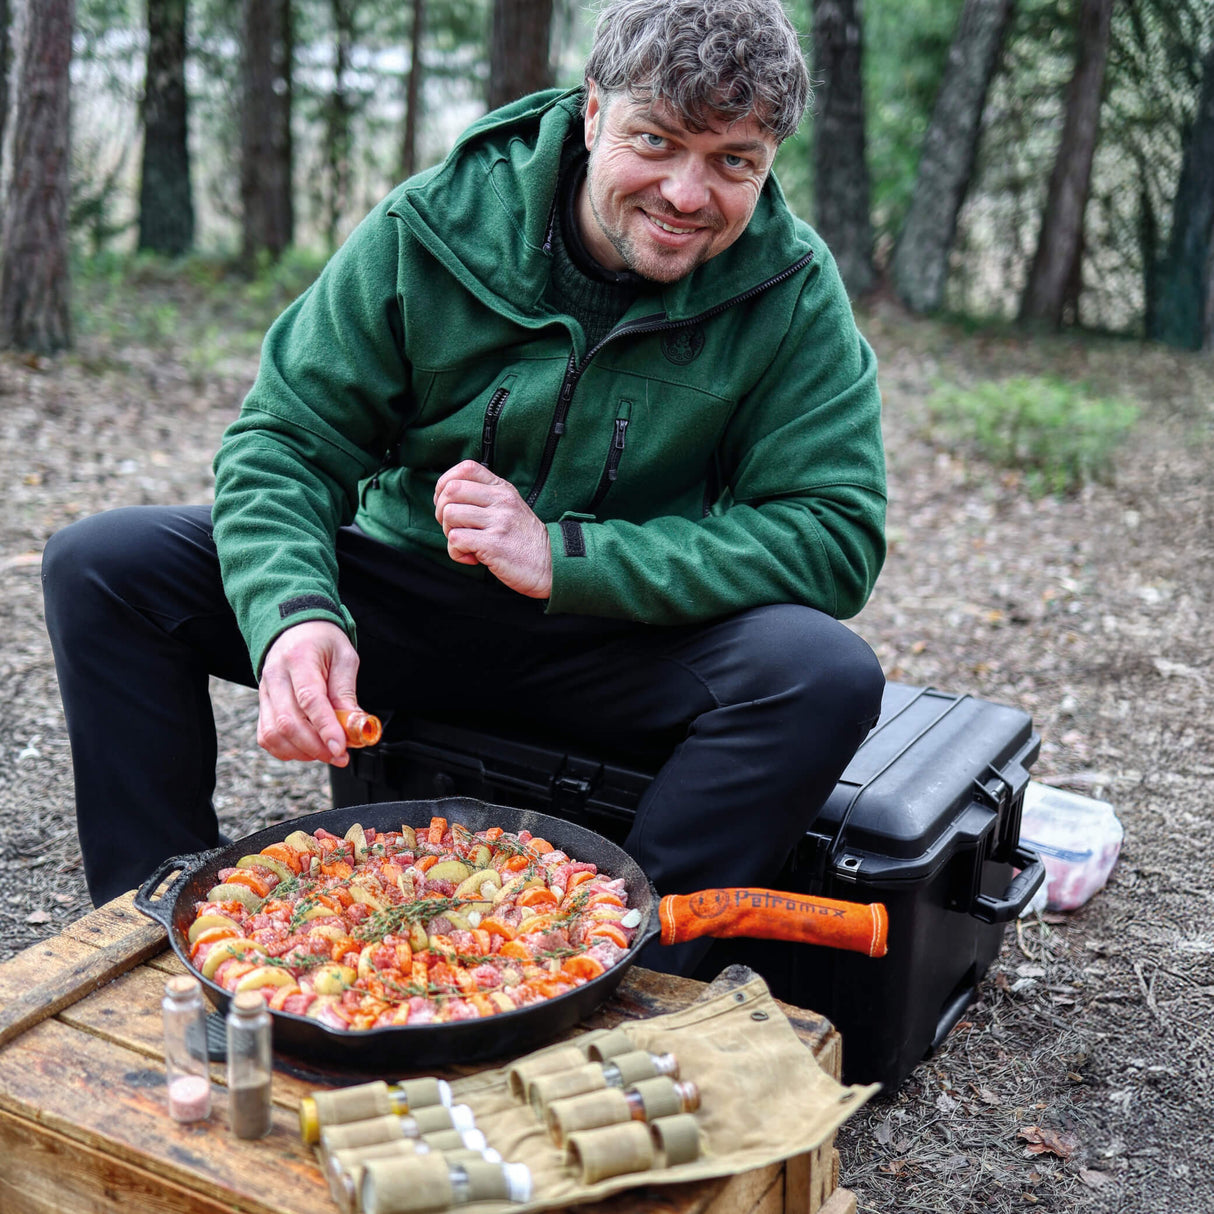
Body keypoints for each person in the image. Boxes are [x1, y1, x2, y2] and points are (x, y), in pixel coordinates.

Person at [43, 0, 887, 978]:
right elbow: (285, 440)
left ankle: (625, 965)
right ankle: (161, 935)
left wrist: (568, 558)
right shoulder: (438, 225)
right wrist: (295, 613)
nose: (687, 193)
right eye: (655, 142)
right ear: (590, 112)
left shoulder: (786, 288)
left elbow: (832, 533)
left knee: (821, 671)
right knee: (104, 565)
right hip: (413, 605)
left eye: (734, 161)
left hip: (615, 635)